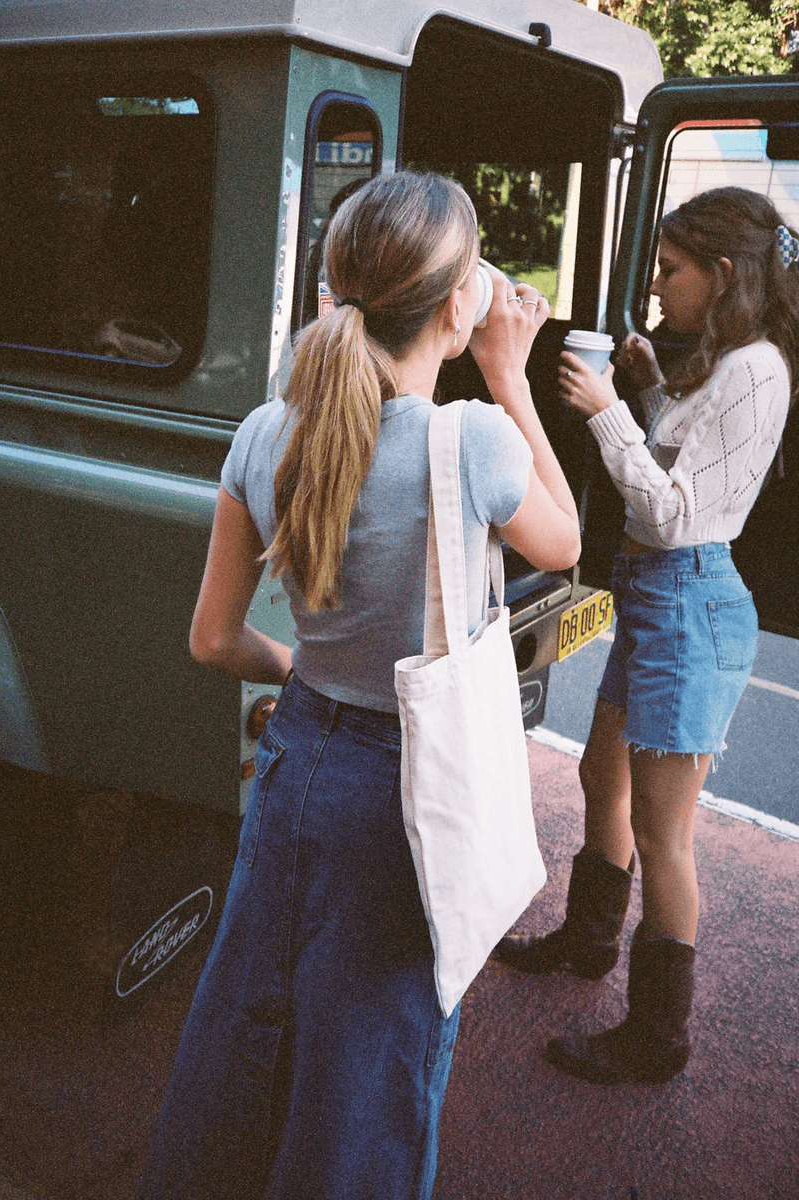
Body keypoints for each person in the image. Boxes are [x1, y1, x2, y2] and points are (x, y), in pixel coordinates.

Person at [137, 170, 581, 1200]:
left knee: (251, 1023)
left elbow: (214, 640)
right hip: (405, 794)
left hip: (296, 761)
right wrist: (509, 377)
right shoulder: (472, 439)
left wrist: (297, 671)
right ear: (458, 305)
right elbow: (564, 542)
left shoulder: (263, 432)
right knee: (368, 1066)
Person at [495, 186, 798, 1085]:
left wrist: (603, 409)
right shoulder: (730, 361)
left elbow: (670, 511)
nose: (657, 286)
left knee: (665, 833)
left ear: (722, 274)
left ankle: (657, 1037)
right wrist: (647, 388)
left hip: (688, 604)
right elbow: (679, 456)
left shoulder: (755, 369)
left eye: (671, 270)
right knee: (603, 776)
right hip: (658, 597)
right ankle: (590, 938)